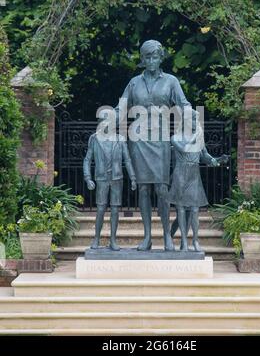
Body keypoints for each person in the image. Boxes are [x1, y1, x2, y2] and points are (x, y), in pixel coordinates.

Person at [115, 40, 191, 251]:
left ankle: (167, 235)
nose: (151, 61)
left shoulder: (171, 81)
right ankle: (147, 237)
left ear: (160, 58)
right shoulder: (134, 83)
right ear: (142, 59)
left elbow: (183, 104)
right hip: (138, 141)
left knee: (162, 189)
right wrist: (107, 118)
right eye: (147, 57)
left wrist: (190, 116)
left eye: (155, 57)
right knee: (144, 189)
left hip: (161, 141)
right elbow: (121, 107)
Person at [83, 108, 136, 250]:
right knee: (100, 209)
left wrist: (133, 177)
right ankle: (96, 239)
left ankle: (113, 240)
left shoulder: (120, 139)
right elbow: (87, 160)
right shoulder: (94, 139)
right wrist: (88, 178)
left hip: (117, 178)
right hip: (101, 178)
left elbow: (128, 160)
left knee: (115, 210)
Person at [168, 111, 219, 251]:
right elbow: (184, 150)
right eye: (194, 119)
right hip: (180, 174)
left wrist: (214, 160)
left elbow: (205, 155)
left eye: (197, 119)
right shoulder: (175, 137)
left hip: (193, 174)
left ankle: (195, 240)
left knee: (195, 210)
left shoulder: (199, 138)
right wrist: (195, 137)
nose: (197, 122)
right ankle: (184, 242)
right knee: (181, 210)